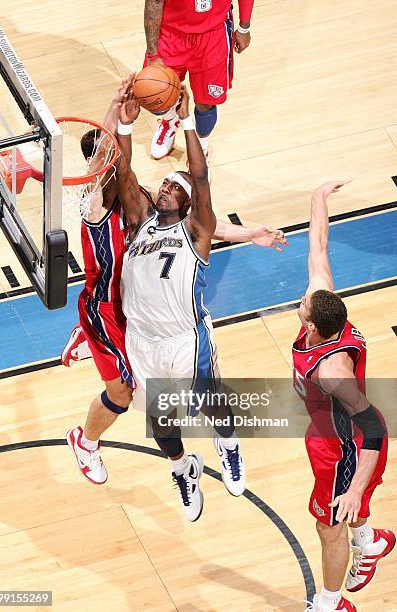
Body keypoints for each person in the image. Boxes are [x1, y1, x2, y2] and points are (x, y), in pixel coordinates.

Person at [65, 76, 288, 500]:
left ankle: (227, 443)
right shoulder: (108, 204)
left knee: (199, 397)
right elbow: (115, 165)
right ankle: (170, 464)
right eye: (165, 184)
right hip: (119, 318)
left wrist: (244, 233)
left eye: (173, 188)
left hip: (164, 327)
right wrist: (122, 121)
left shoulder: (164, 214)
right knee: (145, 407)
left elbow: (199, 205)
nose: (164, 187)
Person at [292, 180, 395, 612]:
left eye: (304, 306)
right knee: (346, 516)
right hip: (332, 433)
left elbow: (372, 426)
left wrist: (353, 488)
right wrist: (317, 198)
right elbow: (319, 250)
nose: (302, 300)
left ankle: (330, 604)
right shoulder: (327, 308)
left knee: (329, 526)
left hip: (344, 449)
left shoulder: (333, 371)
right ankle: (368, 543)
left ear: (313, 325)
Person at [144, 0, 254, 166]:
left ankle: (201, 147)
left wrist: (244, 26)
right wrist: (152, 55)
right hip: (171, 33)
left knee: (206, 104)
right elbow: (154, 2)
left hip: (212, 34)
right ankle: (170, 119)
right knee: (155, 95)